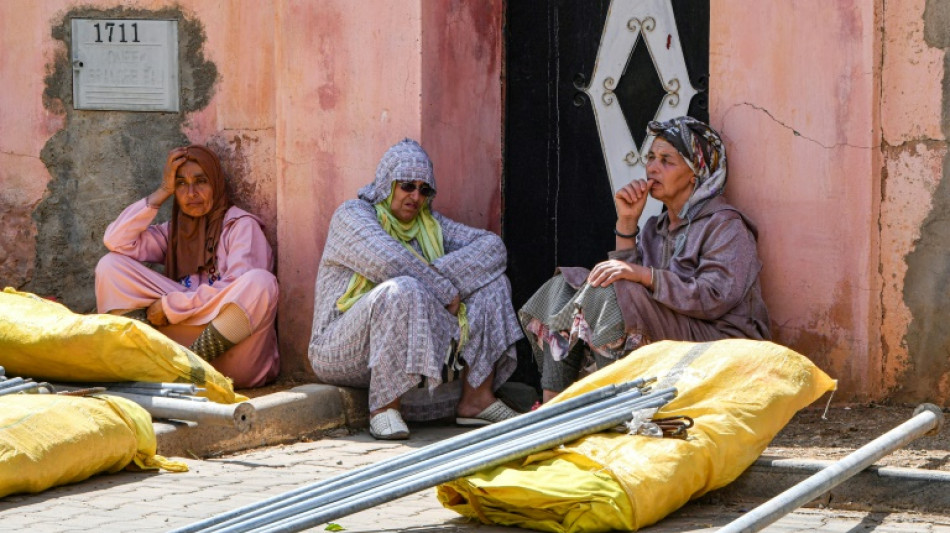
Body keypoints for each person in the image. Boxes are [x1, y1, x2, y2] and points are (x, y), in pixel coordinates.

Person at [520, 116, 771, 402]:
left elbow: (715, 297)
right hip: (672, 328)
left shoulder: (726, 225)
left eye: (666, 160)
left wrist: (644, 275)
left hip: (720, 340)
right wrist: (627, 223)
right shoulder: (655, 227)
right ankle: (553, 403)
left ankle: (614, 405)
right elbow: (628, 285)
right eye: (651, 157)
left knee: (611, 292)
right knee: (565, 285)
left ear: (695, 173)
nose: (652, 167)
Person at [308, 138, 524, 440]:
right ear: (387, 183)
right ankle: (384, 407)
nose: (415, 196)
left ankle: (476, 399)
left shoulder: (430, 223)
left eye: (424, 189)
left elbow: (492, 248)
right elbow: (389, 261)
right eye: (407, 185)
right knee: (403, 287)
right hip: (339, 347)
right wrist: (443, 290)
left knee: (494, 282)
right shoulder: (353, 215)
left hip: (413, 331)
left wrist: (438, 282)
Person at [95, 145, 279, 389]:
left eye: (201, 181)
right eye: (181, 184)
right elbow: (116, 241)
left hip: (235, 356)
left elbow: (241, 290)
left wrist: (171, 306)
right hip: (178, 347)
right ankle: (149, 363)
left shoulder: (241, 227)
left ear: (216, 184)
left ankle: (187, 371)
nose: (191, 193)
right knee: (110, 266)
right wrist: (163, 190)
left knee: (261, 283)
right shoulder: (174, 232)